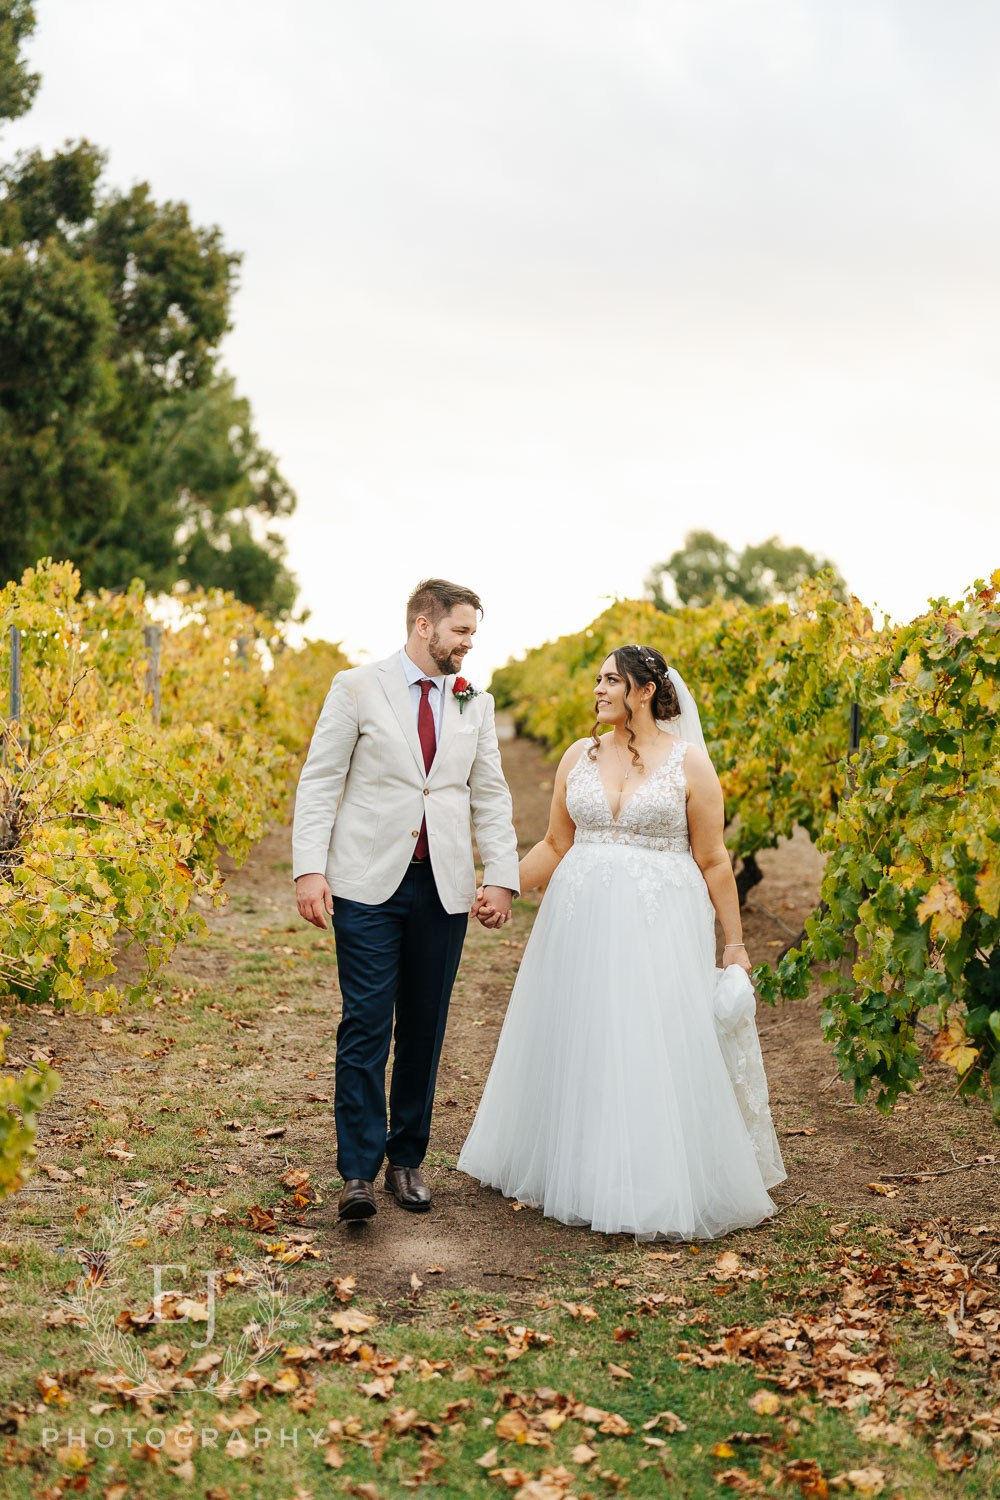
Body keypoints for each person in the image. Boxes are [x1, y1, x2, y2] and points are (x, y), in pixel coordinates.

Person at [458, 644, 785, 1241]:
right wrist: (499, 885)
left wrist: (734, 944)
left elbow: (713, 860)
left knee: (646, 1038)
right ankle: (579, 1167)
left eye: (611, 680)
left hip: (658, 921)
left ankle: (647, 1181)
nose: (599, 690)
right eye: (598, 680)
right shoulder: (577, 756)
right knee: (585, 1034)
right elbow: (555, 845)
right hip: (579, 921)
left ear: (643, 691)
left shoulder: (690, 764)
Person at [293, 578, 519, 1223]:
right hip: (367, 884)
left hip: (443, 887)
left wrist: (500, 873)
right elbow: (320, 781)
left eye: (472, 633)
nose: (468, 645)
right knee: (365, 1024)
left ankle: (407, 1160)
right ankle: (358, 1173)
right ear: (425, 626)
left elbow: (491, 794)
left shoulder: (476, 701)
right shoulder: (357, 687)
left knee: (424, 1025)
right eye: (461, 632)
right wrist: (310, 870)